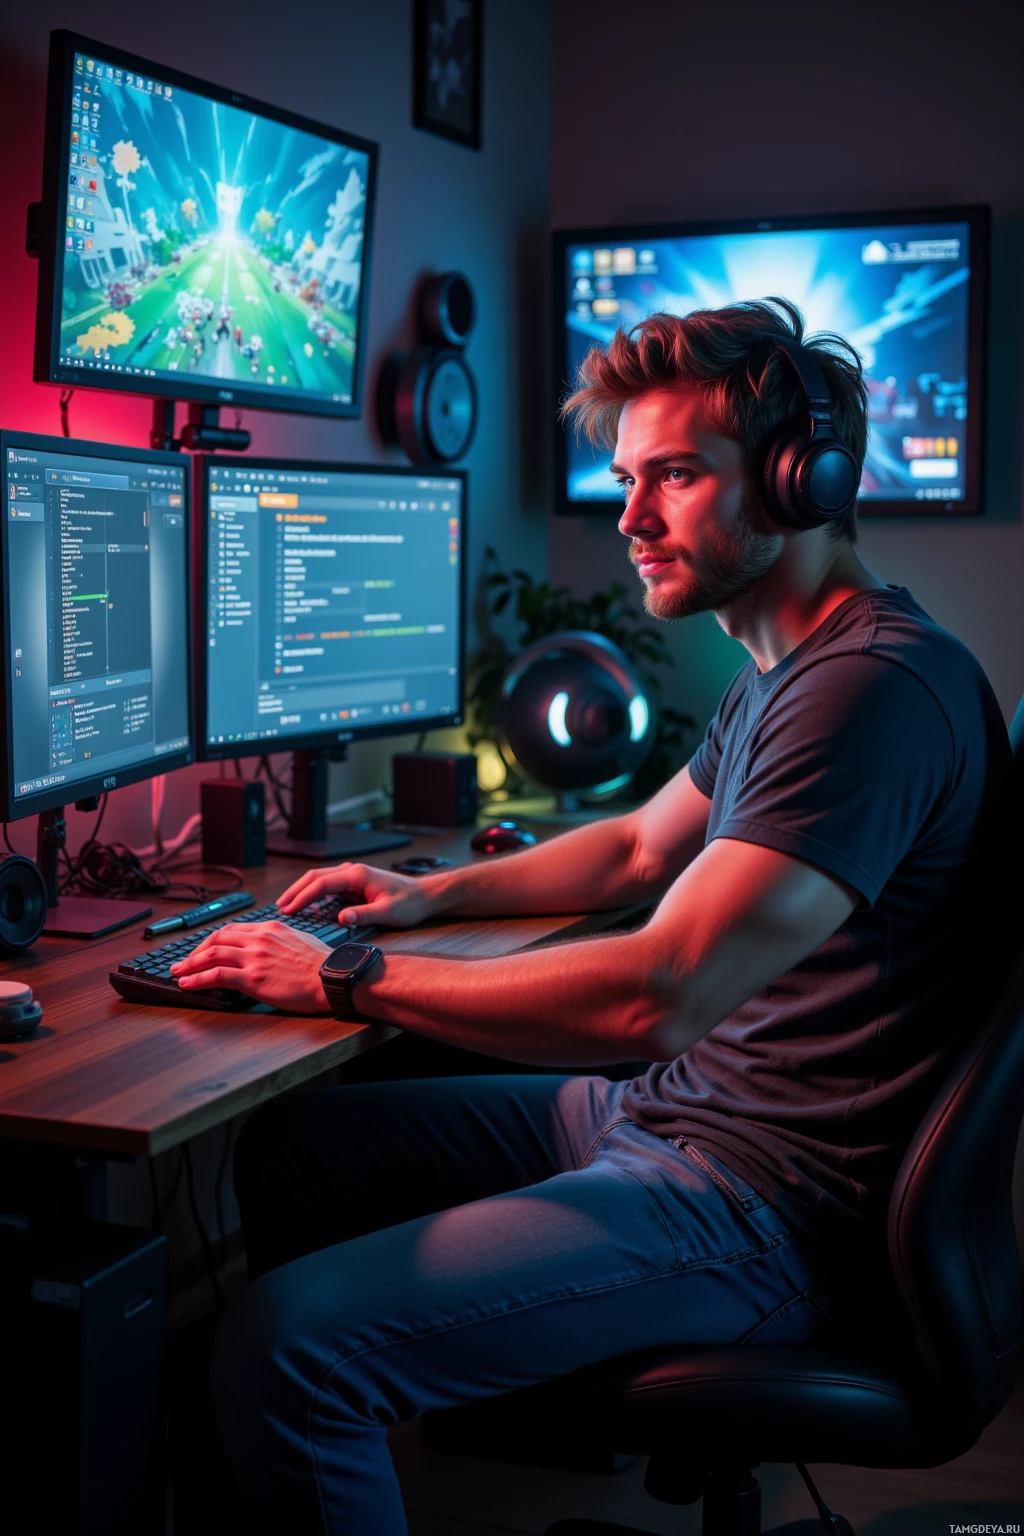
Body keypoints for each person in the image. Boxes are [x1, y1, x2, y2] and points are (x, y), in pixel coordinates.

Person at [177, 299, 1012, 1535]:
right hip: (673, 1119)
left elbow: (657, 994)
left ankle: (339, 1409)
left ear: (801, 479)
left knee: (283, 1348)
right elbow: (635, 846)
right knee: (298, 1151)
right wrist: (426, 895)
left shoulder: (866, 691)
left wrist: (345, 975)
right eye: (626, 479)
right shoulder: (787, 667)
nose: (628, 518)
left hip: (765, 1203)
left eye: (673, 475)